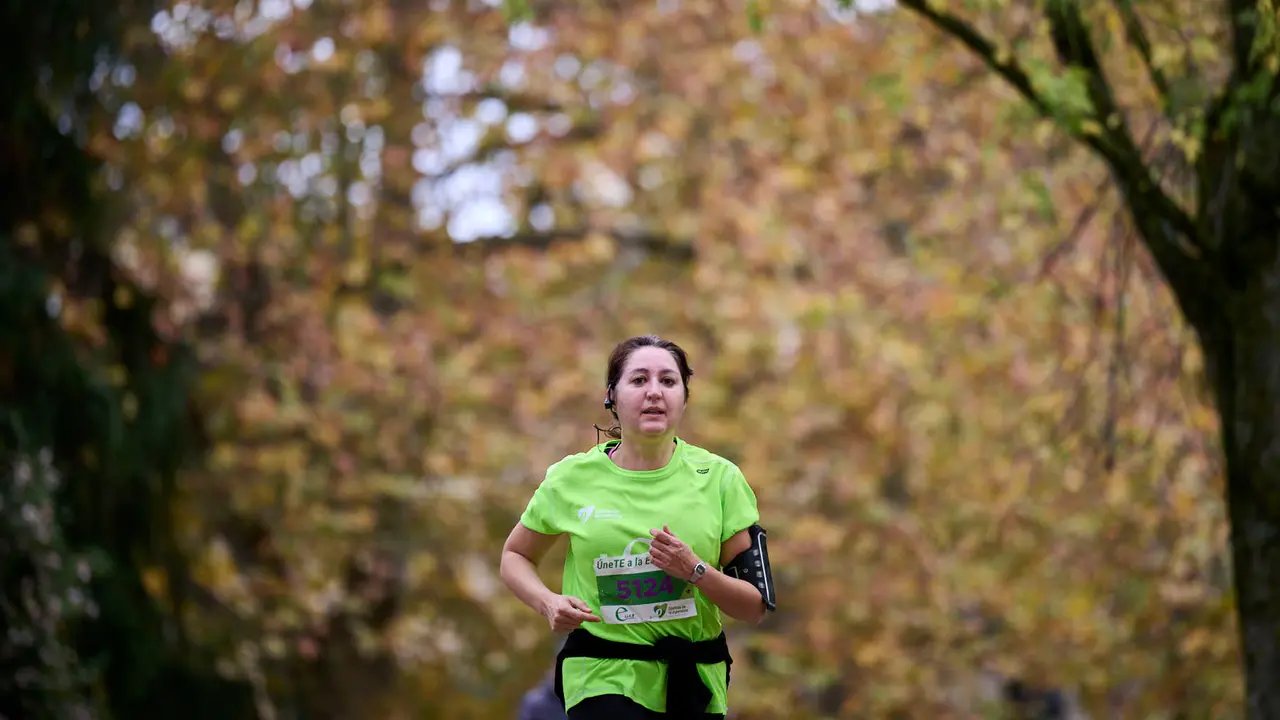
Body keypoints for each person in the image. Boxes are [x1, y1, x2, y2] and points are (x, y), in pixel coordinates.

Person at [499, 335, 775, 720]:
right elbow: (515, 556)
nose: (654, 393)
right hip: (601, 670)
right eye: (639, 380)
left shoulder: (720, 480)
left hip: (692, 679)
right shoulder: (571, 479)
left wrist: (694, 571)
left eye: (667, 381)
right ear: (611, 395)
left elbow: (754, 606)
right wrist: (548, 601)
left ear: (684, 396)